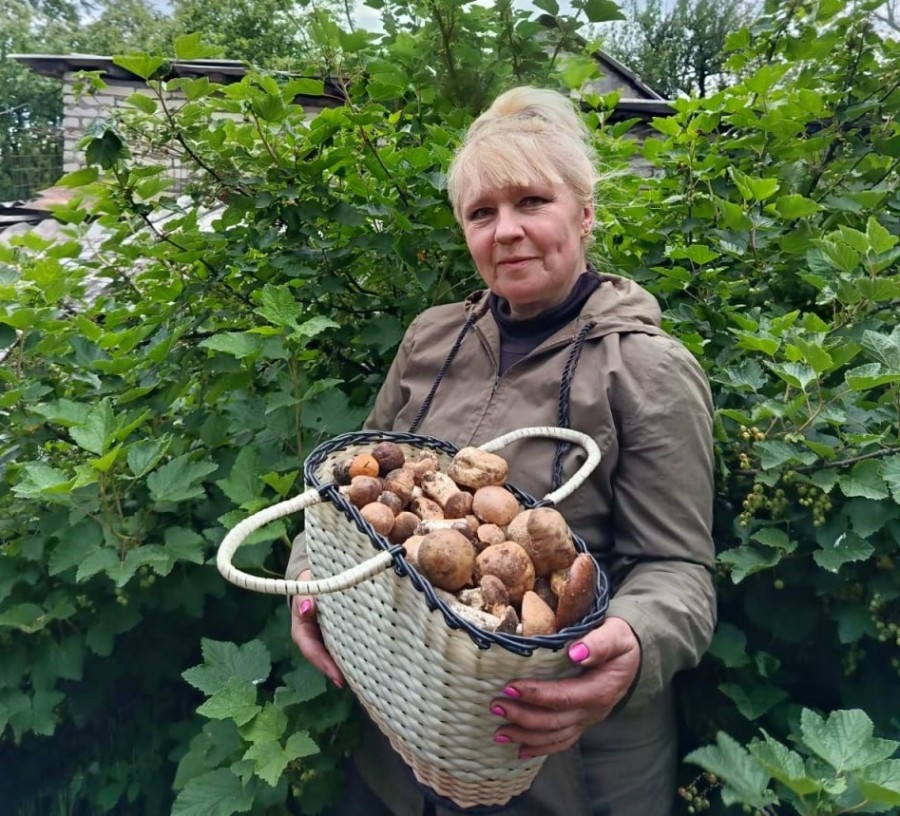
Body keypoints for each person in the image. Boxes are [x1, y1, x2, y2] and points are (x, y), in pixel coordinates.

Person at [288, 86, 716, 816]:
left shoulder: (645, 369)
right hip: (398, 750)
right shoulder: (431, 339)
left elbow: (678, 569)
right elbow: (344, 496)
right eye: (482, 213)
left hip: (562, 768)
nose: (507, 231)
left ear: (584, 214)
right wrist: (309, 579)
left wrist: (633, 645)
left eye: (531, 203)